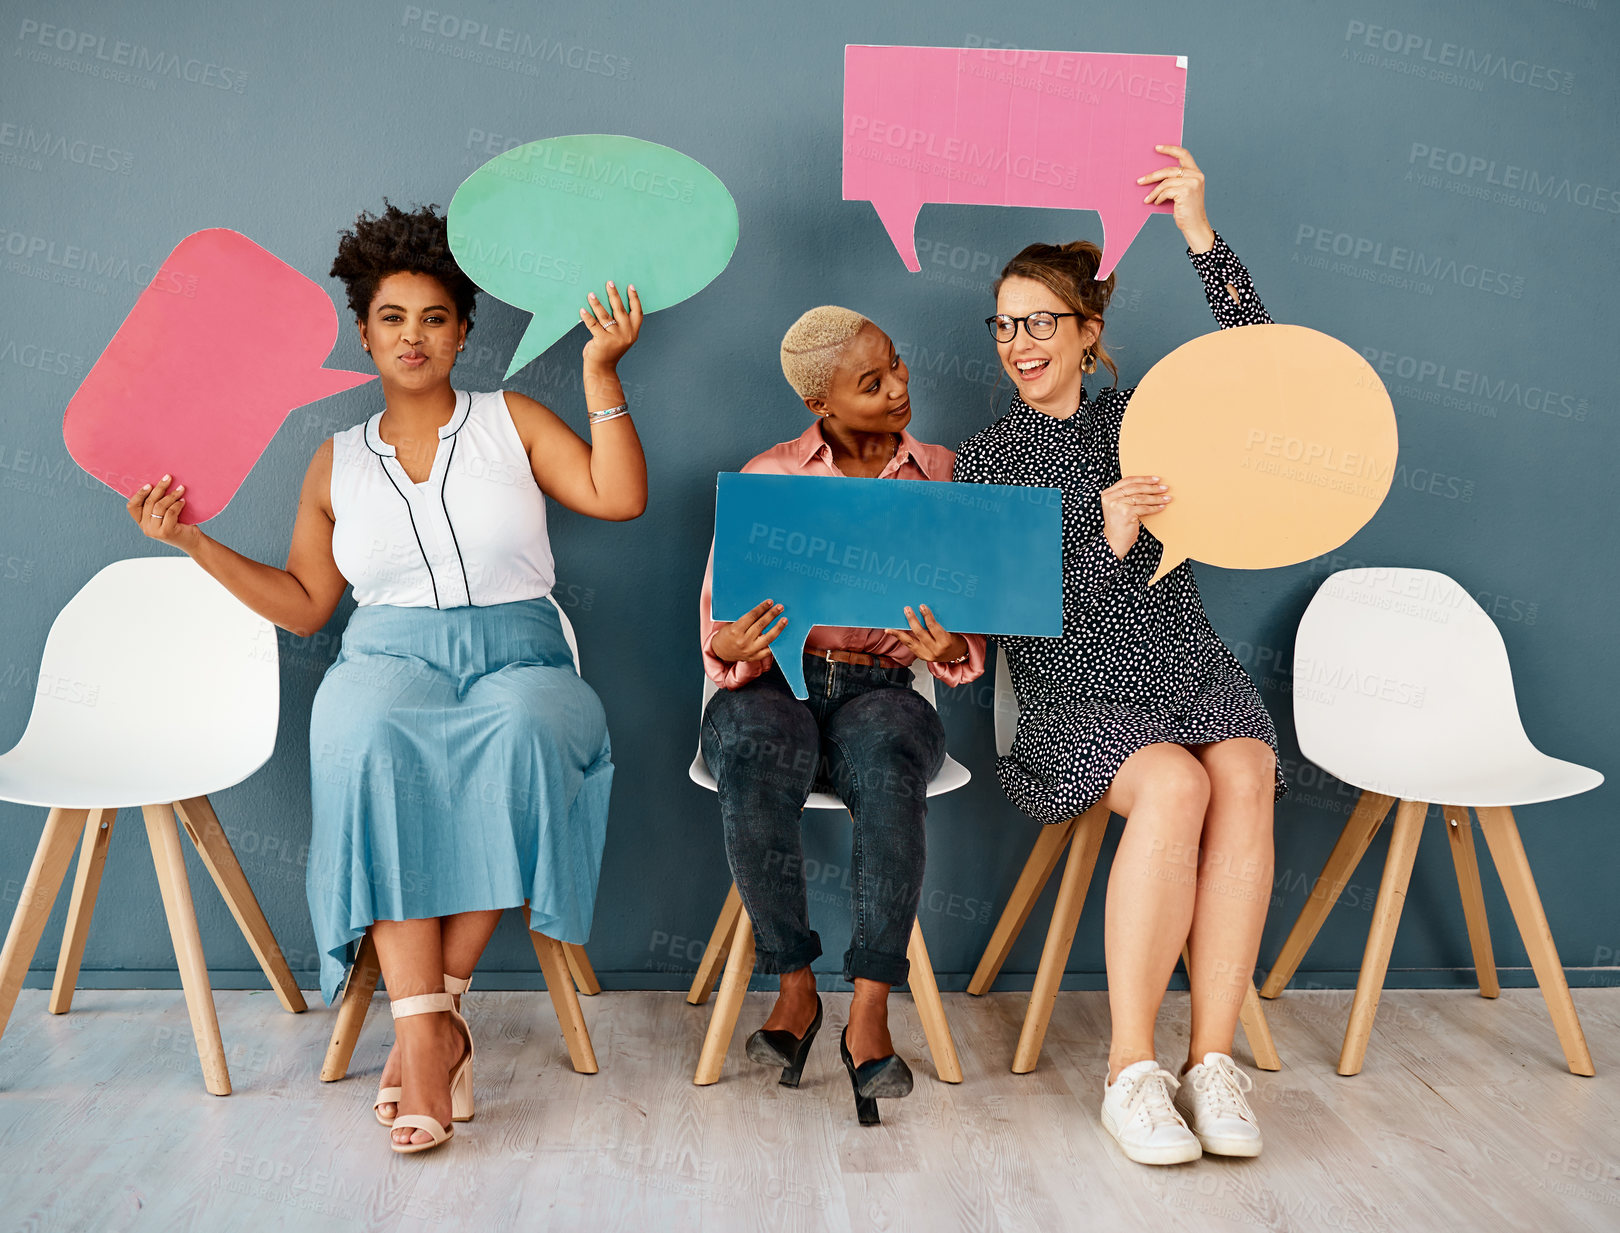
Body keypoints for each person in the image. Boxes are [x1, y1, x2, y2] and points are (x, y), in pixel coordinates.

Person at [126, 201, 646, 1153]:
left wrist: (600, 372)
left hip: (521, 649)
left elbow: (618, 497)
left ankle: (433, 1020)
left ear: (462, 333)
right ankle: (425, 1028)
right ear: (364, 333)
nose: (415, 336)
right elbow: (305, 603)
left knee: (529, 733)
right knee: (363, 736)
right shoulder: (334, 465)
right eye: (394, 319)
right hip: (388, 655)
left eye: (436, 318)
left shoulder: (512, 421)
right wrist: (193, 542)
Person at [953, 147, 1285, 1164]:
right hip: (1069, 691)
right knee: (1177, 790)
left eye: (1039, 322)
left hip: (1185, 663)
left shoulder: (1148, 418)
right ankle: (1130, 1072)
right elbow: (1018, 622)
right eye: (1005, 324)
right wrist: (1103, 534)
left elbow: (1264, 369)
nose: (1019, 342)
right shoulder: (987, 460)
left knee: (1244, 768)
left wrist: (1197, 229)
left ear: (1088, 333)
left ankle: (1212, 1061)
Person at [697, 305, 986, 1124]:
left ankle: (868, 1009)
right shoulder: (769, 477)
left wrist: (944, 643)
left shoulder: (941, 474)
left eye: (895, 364)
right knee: (753, 743)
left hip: (882, 691)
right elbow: (718, 625)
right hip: (776, 685)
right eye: (872, 382)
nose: (898, 387)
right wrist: (734, 637)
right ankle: (795, 987)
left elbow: (970, 633)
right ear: (821, 406)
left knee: (891, 746)